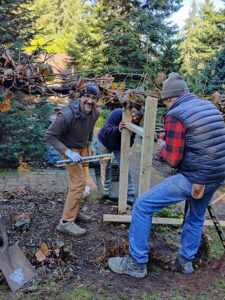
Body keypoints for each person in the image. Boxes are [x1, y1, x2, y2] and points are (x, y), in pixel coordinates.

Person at [107, 73, 225, 278]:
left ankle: (136, 263)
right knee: (196, 216)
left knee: (143, 206)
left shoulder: (176, 114)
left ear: (170, 98)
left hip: (193, 177)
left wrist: (162, 148)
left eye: (166, 102)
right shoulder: (207, 106)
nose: (167, 106)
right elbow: (194, 136)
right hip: (217, 174)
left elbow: (172, 159)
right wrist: (163, 135)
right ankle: (185, 262)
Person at [45, 82, 100, 237]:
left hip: (83, 148)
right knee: (79, 183)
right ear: (80, 97)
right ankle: (66, 222)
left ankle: (75, 211)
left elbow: (90, 127)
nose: (90, 100)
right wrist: (68, 152)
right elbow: (49, 136)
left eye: (93, 97)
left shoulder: (95, 112)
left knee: (82, 182)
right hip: (70, 150)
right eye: (87, 96)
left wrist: (89, 144)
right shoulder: (67, 115)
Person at [97, 107, 144, 204]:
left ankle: (131, 193)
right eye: (134, 115)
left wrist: (130, 137)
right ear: (131, 111)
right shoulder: (117, 113)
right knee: (106, 165)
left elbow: (130, 144)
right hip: (105, 141)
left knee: (125, 166)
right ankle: (106, 190)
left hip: (119, 145)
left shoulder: (135, 124)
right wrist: (118, 128)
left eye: (138, 118)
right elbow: (106, 130)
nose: (134, 118)